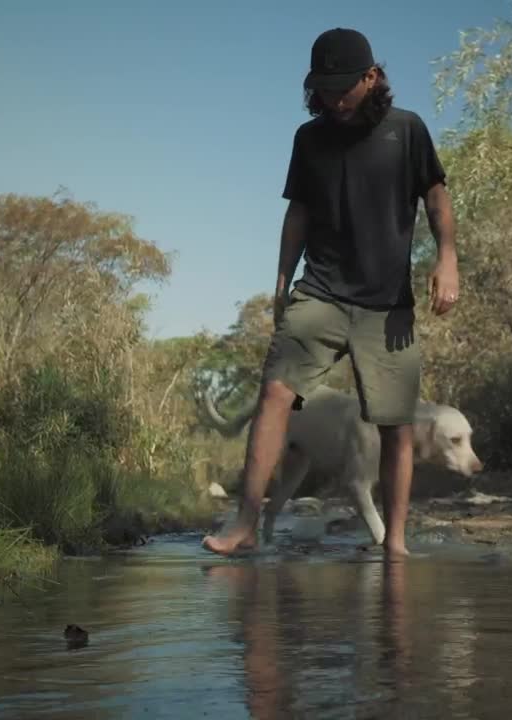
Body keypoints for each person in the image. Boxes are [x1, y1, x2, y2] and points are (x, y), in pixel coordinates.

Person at [202, 27, 459, 561]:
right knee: (275, 393)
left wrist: (447, 257)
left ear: (372, 77)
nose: (334, 100)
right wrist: (281, 280)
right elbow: (297, 213)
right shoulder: (309, 139)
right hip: (319, 291)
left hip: (387, 305)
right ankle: (245, 524)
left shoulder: (407, 130)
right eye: (323, 90)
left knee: (395, 425)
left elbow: (436, 196)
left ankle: (396, 544)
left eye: (344, 89)